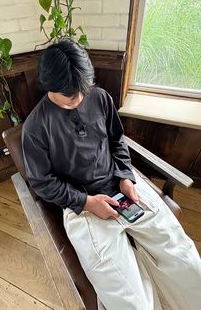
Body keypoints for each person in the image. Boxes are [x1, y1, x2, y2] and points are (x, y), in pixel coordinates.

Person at [22, 38, 201, 310]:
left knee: (185, 260)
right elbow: (41, 182)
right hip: (81, 205)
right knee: (130, 300)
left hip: (122, 185)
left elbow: (117, 140)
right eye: (70, 95)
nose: (79, 98)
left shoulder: (100, 97)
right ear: (50, 86)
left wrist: (126, 176)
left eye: (82, 91)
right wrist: (86, 202)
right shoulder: (35, 128)